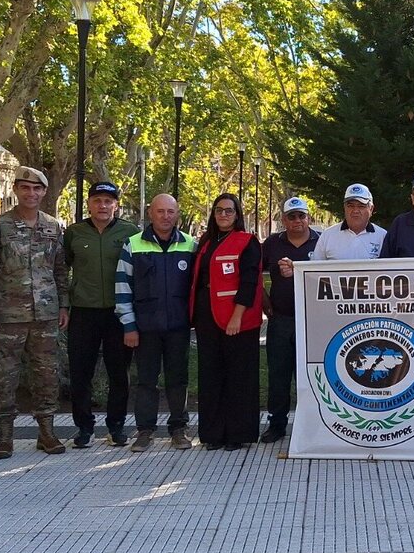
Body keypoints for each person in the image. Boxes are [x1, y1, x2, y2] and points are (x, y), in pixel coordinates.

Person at [0, 166, 69, 458]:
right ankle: (4, 437)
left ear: (44, 192)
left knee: (47, 374)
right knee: (3, 376)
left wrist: (64, 304)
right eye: (25, 188)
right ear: (16, 190)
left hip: (45, 314)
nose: (31, 193)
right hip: (7, 315)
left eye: (37, 189)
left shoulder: (53, 226)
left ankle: (47, 433)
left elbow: (60, 270)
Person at [114, 194, 197, 452]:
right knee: (146, 380)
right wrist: (129, 325)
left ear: (177, 214)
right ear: (151, 213)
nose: (165, 217)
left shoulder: (190, 245)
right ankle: (145, 431)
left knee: (178, 379)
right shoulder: (133, 245)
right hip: (145, 328)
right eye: (160, 211)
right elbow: (122, 287)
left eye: (170, 212)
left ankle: (179, 429)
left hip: (178, 327)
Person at [64, 181, 139, 448]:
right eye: (97, 200)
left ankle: (116, 426)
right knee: (80, 373)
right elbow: (62, 272)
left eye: (108, 201)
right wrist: (64, 305)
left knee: (118, 373)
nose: (103, 206)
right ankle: (84, 427)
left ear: (116, 205)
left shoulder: (130, 233)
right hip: (84, 312)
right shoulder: (74, 233)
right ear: (89, 204)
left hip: (118, 314)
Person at [189, 193, 264, 450]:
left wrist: (237, 316)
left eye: (229, 211)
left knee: (238, 375)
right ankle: (212, 434)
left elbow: (250, 281)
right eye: (219, 210)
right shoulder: (206, 242)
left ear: (237, 214)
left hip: (237, 317)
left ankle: (237, 434)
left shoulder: (248, 242)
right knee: (210, 374)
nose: (223, 215)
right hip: (207, 315)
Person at [258, 196, 321, 443]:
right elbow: (255, 273)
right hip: (281, 319)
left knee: (311, 373)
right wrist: (264, 301)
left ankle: (314, 424)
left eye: (301, 215)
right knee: (279, 374)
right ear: (283, 219)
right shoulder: (273, 243)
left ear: (308, 217)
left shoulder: (321, 241)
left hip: (314, 320)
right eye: (291, 216)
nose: (297, 220)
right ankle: (277, 424)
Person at [311, 184, 386, 260]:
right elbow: (314, 268)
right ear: (344, 208)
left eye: (361, 206)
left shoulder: (382, 236)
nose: (355, 211)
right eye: (350, 206)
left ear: (371, 209)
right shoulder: (327, 236)